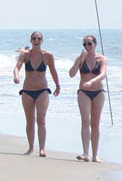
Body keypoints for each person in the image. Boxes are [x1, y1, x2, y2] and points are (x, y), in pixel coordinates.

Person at [13, 31, 60, 157]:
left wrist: (57, 86)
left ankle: (42, 149)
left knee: (41, 120)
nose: (36, 40)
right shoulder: (25, 55)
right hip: (27, 91)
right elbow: (17, 67)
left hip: (42, 90)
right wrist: (16, 76)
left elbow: (53, 71)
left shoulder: (47, 55)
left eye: (38, 38)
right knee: (29, 120)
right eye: (34, 38)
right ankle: (30, 147)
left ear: (42, 40)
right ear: (31, 40)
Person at [68, 34, 108, 162]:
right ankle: (85, 153)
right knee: (85, 121)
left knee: (95, 124)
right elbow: (71, 74)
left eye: (89, 43)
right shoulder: (80, 58)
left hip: (98, 92)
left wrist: (91, 82)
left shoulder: (101, 59)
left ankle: (95, 155)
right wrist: (79, 60)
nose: (87, 46)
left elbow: (103, 74)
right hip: (83, 92)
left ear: (95, 44)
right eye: (84, 44)